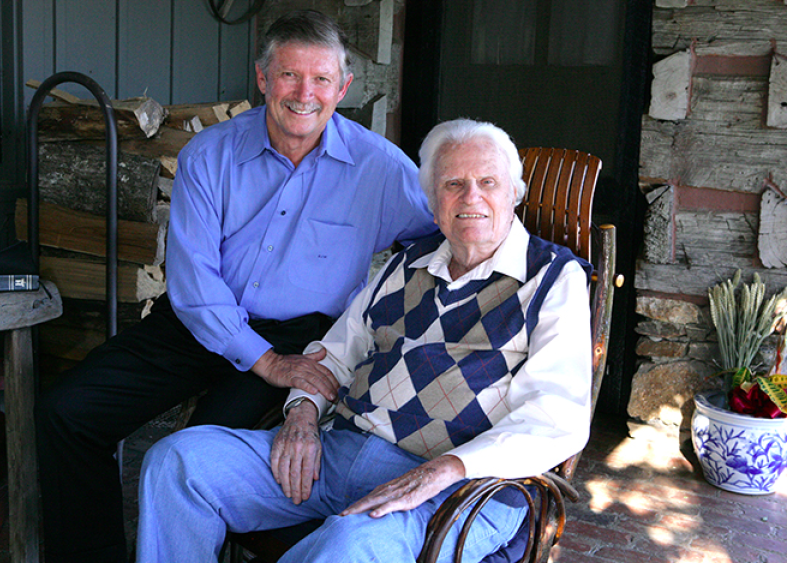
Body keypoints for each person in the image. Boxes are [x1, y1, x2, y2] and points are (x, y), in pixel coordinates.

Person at [34, 10, 436, 563]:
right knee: (67, 411)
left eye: (321, 79)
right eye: (290, 75)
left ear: (341, 88)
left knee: (197, 451)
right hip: (199, 322)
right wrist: (264, 362)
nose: (304, 94)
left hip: (301, 334)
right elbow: (194, 282)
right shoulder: (209, 154)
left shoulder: (381, 168)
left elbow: (447, 237)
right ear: (263, 78)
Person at [135, 118, 594, 563]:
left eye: (488, 182)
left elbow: (557, 418)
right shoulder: (404, 267)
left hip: (458, 487)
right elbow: (334, 354)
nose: (471, 197)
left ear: (514, 193)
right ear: (433, 204)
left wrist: (443, 470)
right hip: (342, 454)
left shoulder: (552, 279)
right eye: (453, 184)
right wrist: (302, 414)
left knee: (349, 546)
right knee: (178, 462)